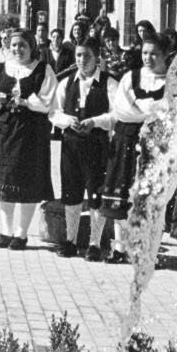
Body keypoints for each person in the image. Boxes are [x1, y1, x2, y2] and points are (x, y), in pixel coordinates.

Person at [0, 28, 56, 249]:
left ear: (31, 48)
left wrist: (27, 102)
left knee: (27, 182)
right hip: (3, 132)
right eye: (14, 46)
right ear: (8, 48)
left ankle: (21, 234)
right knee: (5, 182)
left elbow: (48, 102)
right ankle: (6, 231)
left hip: (31, 133)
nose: (18, 49)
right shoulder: (0, 69)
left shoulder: (42, 70)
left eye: (23, 45)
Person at [98, 29, 175, 260]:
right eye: (145, 52)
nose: (148, 58)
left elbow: (170, 113)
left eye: (154, 54)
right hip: (126, 141)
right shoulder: (130, 77)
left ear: (165, 56)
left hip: (156, 146)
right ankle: (120, 248)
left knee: (151, 200)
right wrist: (149, 110)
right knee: (121, 199)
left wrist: (142, 108)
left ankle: (148, 253)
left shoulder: (171, 82)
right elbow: (121, 110)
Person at [46, 39, 115, 260]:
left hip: (97, 146)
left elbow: (117, 115)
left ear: (97, 58)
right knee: (71, 193)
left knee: (95, 193)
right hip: (71, 145)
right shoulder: (66, 83)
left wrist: (96, 121)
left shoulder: (109, 83)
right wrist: (67, 120)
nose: (81, 60)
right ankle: (71, 240)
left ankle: (94, 244)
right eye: (78, 56)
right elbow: (53, 113)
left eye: (86, 56)